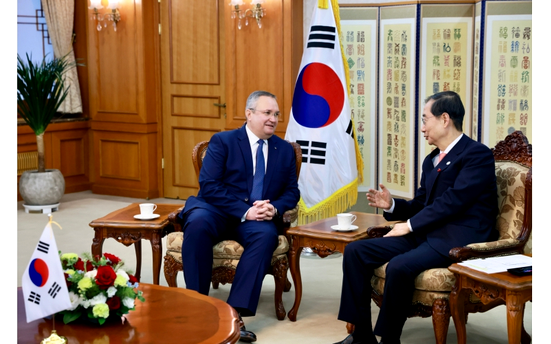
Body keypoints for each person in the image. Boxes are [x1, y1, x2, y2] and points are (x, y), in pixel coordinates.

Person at [332, 91, 498, 344]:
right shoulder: (431, 160)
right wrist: (392, 206)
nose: (422, 128)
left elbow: (454, 201)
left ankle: (389, 339)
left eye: (425, 119)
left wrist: (409, 226)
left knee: (400, 266)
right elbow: (422, 203)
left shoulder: (476, 155)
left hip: (457, 239)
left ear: (444, 119)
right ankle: (361, 336)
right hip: (426, 232)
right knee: (356, 251)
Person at [179, 90, 300, 343]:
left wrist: (274, 208)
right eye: (267, 113)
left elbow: (292, 192)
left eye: (276, 114)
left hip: (258, 219)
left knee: (266, 235)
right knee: (197, 223)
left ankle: (233, 316)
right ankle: (198, 308)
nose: (273, 119)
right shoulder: (224, 141)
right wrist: (245, 211)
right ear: (249, 114)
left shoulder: (284, 150)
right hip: (218, 210)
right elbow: (209, 185)